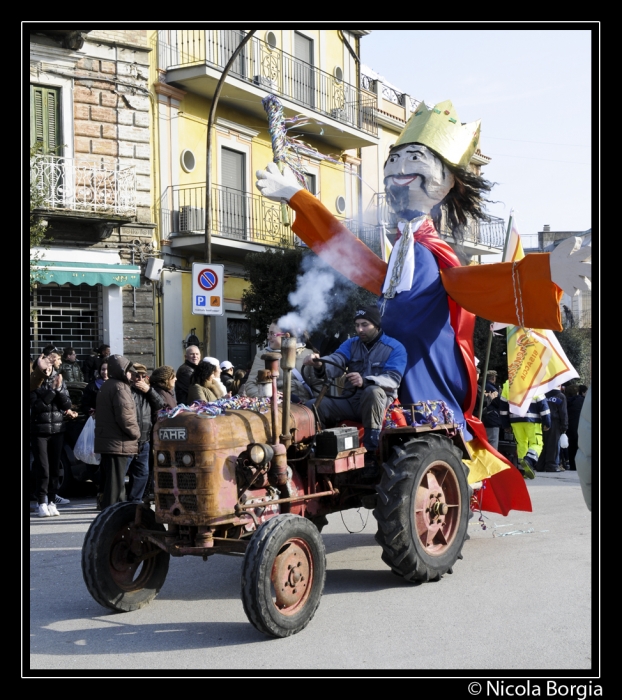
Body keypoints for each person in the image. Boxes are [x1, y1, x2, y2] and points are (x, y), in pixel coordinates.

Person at [255, 99, 590, 516]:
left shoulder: (436, 252)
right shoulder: (398, 250)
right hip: (385, 362)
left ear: (446, 181)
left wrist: (546, 270)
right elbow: (349, 255)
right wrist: (297, 196)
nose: (398, 167)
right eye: (393, 158)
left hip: (427, 370)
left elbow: (479, 285)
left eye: (413, 158)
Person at [303, 306, 407, 475]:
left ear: (376, 325)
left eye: (365, 325)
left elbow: (393, 380)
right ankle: (316, 449)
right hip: (351, 401)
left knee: (372, 391)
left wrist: (365, 381)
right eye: (357, 325)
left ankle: (370, 454)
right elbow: (337, 360)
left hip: (380, 405)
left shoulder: (395, 348)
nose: (360, 329)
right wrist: (321, 363)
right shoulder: (351, 344)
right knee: (312, 406)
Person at [30, 354, 78, 516]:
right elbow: (37, 406)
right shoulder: (34, 383)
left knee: (55, 468)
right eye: (45, 367)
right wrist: (52, 391)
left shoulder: (59, 380)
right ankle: (41, 501)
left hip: (58, 430)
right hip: (39, 431)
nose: (48, 369)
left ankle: (52, 500)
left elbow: (66, 404)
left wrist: (58, 390)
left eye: (50, 367)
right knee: (43, 468)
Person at [94, 354, 141, 510]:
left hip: (109, 442)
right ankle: (113, 521)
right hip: (117, 443)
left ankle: (111, 517)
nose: (131, 375)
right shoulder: (120, 388)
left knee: (112, 484)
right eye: (129, 371)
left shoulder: (107, 386)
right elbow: (125, 417)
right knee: (115, 487)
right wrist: (136, 434)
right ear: (122, 371)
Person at [241, 320, 322, 403]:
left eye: (272, 334)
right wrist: (271, 398)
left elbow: (318, 385)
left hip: (304, 407)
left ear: (286, 336)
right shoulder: (263, 355)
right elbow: (250, 385)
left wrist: (315, 407)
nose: (268, 337)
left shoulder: (308, 354)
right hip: (276, 407)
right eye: (268, 333)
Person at [125, 363, 164, 503]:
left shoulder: (148, 391)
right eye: (137, 375)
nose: (139, 379)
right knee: (122, 472)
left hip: (145, 439)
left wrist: (149, 391)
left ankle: (135, 502)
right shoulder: (127, 390)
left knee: (142, 473)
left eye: (143, 376)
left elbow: (160, 404)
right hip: (129, 439)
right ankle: (118, 503)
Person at [500, 380, 551, 480]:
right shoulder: (534, 381)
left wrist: (505, 424)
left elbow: (503, 407)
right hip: (532, 420)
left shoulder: (508, 383)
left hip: (515, 420)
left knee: (521, 444)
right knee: (536, 443)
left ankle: (522, 470)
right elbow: (543, 405)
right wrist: (547, 422)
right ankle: (529, 460)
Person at [536, 385, 568, 473]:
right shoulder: (561, 396)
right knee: (553, 444)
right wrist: (564, 426)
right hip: (555, 422)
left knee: (543, 443)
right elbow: (563, 412)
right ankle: (552, 465)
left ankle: (540, 465)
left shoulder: (543, 395)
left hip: (542, 421)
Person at [566, 384, 587, 471]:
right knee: (579, 447)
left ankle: (572, 465)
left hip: (569, 426)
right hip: (579, 426)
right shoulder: (581, 400)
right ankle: (578, 466)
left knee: (571, 446)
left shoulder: (566, 400)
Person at [481, 369, 502, 451]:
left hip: (484, 418)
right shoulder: (492, 388)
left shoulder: (482, 386)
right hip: (492, 419)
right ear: (493, 378)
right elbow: (498, 403)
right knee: (493, 445)